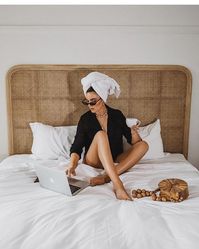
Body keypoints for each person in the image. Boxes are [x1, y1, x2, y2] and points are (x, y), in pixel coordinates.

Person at [66, 72, 149, 201]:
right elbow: (76, 147)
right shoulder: (85, 119)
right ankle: (118, 185)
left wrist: (133, 133)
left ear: (103, 98)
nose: (89, 105)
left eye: (93, 101)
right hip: (93, 161)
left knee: (144, 145)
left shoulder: (117, 115)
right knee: (100, 135)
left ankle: (106, 177)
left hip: (115, 158)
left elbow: (135, 143)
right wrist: (72, 164)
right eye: (87, 102)